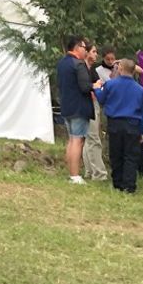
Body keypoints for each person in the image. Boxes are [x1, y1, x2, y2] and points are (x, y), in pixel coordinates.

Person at [93, 58, 143, 192]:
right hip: (132, 124)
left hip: (115, 123)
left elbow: (101, 98)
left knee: (116, 153)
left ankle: (117, 182)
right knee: (131, 155)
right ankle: (129, 184)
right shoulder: (140, 90)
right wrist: (141, 131)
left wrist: (97, 88)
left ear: (121, 69)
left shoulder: (111, 84)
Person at [57, 35, 94, 185]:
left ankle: (71, 173)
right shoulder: (78, 64)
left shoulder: (62, 63)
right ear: (77, 48)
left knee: (72, 139)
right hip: (79, 107)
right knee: (78, 140)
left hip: (66, 105)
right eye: (85, 48)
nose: (86, 51)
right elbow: (85, 86)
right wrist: (95, 86)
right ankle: (75, 175)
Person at [82, 44, 109, 182]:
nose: (96, 54)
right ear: (86, 52)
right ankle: (99, 173)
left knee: (89, 139)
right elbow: (90, 86)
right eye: (93, 51)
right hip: (88, 105)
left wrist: (97, 85)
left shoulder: (91, 69)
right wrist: (94, 86)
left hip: (94, 104)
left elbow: (98, 83)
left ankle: (89, 170)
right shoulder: (81, 68)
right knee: (93, 138)